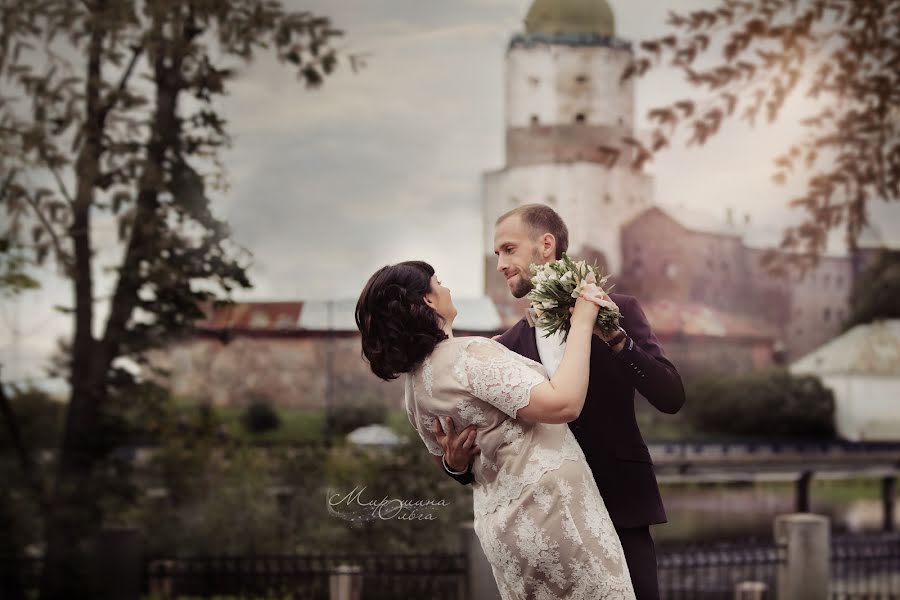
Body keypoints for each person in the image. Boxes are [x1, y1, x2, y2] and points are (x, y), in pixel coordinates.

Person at [438, 204, 685, 599]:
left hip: (619, 503)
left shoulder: (618, 310)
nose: (500, 263)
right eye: (497, 253)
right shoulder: (504, 349)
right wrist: (457, 466)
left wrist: (619, 341)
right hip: (550, 521)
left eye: (508, 249)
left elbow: (671, 397)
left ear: (546, 245)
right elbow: (495, 449)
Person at [356, 260, 636, 600]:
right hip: (553, 514)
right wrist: (582, 319)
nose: (446, 288)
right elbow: (563, 404)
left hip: (505, 533)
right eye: (438, 282)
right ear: (427, 300)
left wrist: (454, 465)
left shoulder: (414, 392)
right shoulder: (468, 356)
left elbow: (444, 460)